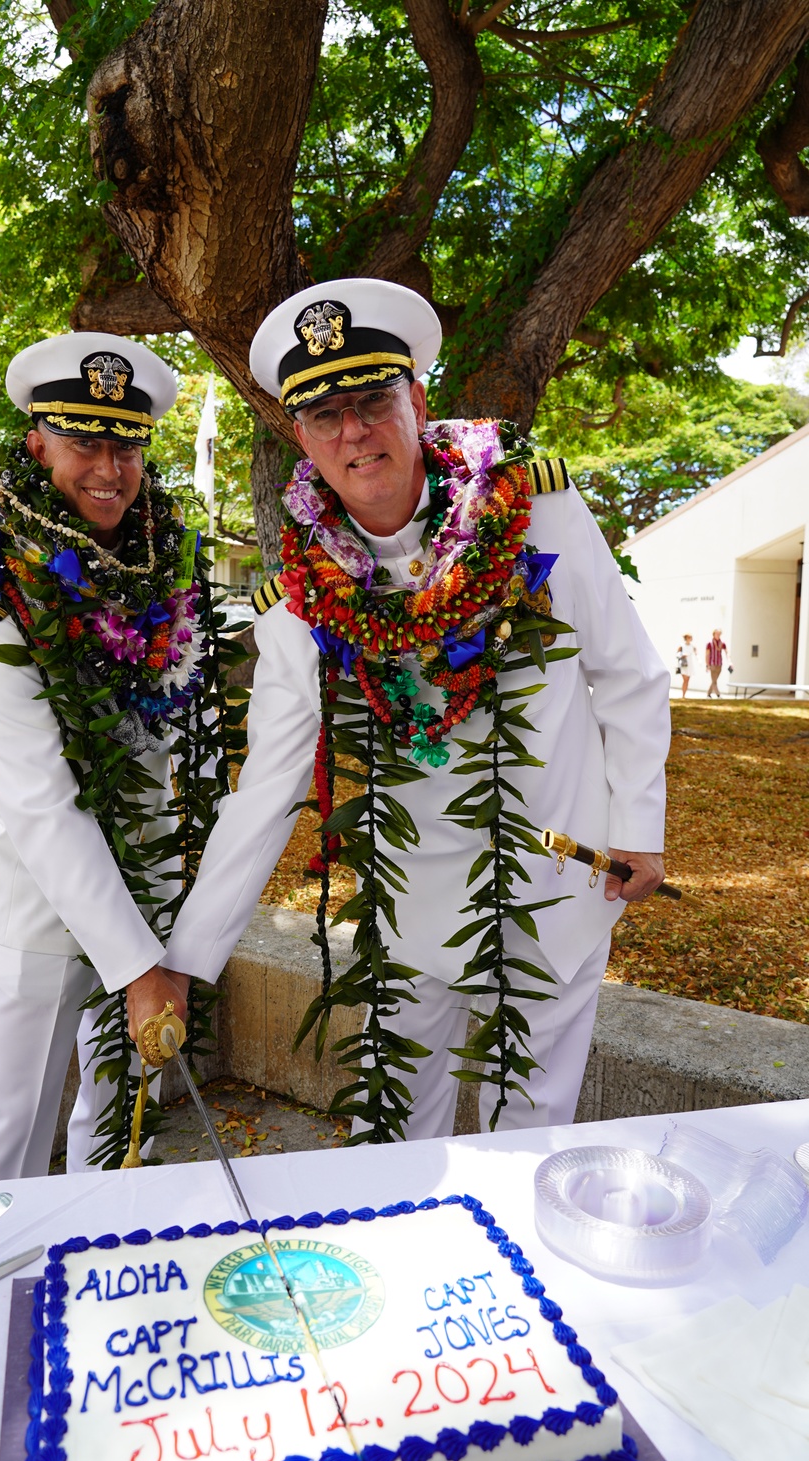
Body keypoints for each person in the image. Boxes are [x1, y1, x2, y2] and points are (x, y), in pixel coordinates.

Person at [148, 278, 670, 1138]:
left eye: (372, 400)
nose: (353, 431)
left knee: (528, 1139)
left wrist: (639, 826)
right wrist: (183, 963)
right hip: (406, 906)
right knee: (387, 1141)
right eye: (325, 416)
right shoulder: (299, 605)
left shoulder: (535, 513)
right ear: (300, 438)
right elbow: (267, 790)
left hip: (551, 884)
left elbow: (626, 673)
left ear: (417, 399)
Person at [0, 331, 208, 1182]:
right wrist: (135, 965)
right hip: (42, 912)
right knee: (7, 1127)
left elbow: (190, 736)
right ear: (37, 444)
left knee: (122, 1132)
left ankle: (103, 1297)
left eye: (126, 443)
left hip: (152, 897)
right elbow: (40, 805)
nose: (108, 465)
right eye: (83, 440)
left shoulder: (166, 583)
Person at [706, 628, 730, 697]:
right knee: (714, 681)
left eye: (719, 634)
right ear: (714, 634)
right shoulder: (709, 643)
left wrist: (730, 662)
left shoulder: (722, 643)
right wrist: (707, 665)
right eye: (717, 633)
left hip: (719, 664)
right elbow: (707, 654)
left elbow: (727, 652)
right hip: (712, 664)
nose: (718, 635)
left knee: (714, 680)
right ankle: (718, 694)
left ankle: (708, 693)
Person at [676, 633, 698, 698]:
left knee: (687, 680)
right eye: (689, 638)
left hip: (690, 664)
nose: (690, 639)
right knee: (685, 679)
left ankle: (684, 695)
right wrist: (682, 655)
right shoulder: (681, 646)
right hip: (683, 664)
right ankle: (683, 694)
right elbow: (677, 654)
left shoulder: (693, 646)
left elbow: (696, 654)